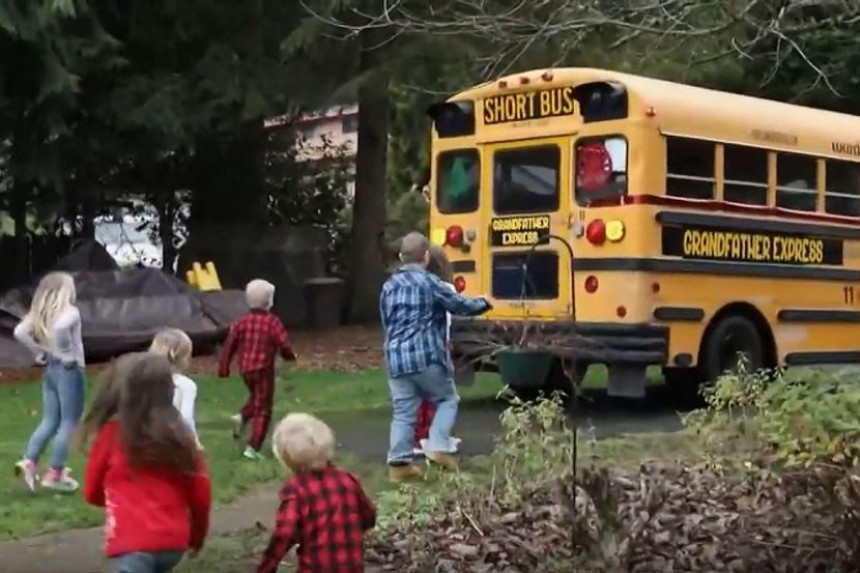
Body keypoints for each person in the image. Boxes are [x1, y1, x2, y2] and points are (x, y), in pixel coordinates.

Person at [82, 352, 211, 573]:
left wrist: (121, 497)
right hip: (173, 543)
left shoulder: (112, 435)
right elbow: (201, 495)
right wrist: (197, 537)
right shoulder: (181, 438)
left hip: (131, 544)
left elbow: (92, 492)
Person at [380, 232, 492, 483]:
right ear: (427, 257)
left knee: (403, 412)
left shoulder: (388, 287)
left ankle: (399, 464)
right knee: (447, 398)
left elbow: (386, 320)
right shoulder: (430, 283)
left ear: (401, 257)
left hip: (396, 358)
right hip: (426, 355)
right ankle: (439, 446)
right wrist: (484, 302)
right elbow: (459, 305)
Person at [256, 413, 376, 573]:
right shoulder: (347, 480)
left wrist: (267, 566)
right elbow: (368, 516)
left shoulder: (296, 491)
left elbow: (285, 533)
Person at [13, 271, 85, 492]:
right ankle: (55, 473)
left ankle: (29, 461)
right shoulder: (70, 313)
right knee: (69, 422)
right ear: (65, 291)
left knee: (50, 420)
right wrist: (67, 354)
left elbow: (20, 332)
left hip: (51, 369)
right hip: (69, 370)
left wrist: (39, 352)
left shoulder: (40, 314)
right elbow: (61, 329)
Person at [218, 279, 297, 461]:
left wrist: (224, 367)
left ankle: (243, 416)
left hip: (246, 370)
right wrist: (289, 356)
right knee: (264, 409)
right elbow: (283, 343)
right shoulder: (272, 322)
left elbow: (229, 345)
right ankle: (253, 448)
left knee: (257, 399)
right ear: (269, 301)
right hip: (263, 370)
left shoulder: (241, 322)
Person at [414, 245, 461, 456]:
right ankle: (436, 439)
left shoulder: (412, 287)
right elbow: (447, 322)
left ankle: (418, 437)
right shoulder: (445, 289)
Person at [149, 328, 201, 448]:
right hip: (173, 442)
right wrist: (193, 441)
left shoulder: (142, 380)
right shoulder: (186, 385)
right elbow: (186, 417)